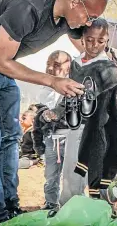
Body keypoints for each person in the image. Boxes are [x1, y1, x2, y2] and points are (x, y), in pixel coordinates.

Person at [0, 0, 107, 226]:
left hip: (1, 67)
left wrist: (108, 71)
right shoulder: (27, 7)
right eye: (90, 16)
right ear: (75, 2)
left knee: (11, 137)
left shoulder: (68, 18)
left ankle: (11, 205)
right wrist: (52, 81)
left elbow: (87, 52)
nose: (89, 23)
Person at [39, 18, 117, 206]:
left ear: (107, 40)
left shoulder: (109, 66)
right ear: (82, 38)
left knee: (98, 171)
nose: (94, 45)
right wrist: (57, 110)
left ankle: (104, 210)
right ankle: (70, 210)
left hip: (99, 127)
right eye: (89, 40)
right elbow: (69, 93)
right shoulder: (75, 64)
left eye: (100, 41)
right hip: (76, 124)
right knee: (72, 170)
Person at [33, 50, 71, 211]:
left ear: (68, 67)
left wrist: (57, 114)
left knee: (71, 176)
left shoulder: (74, 87)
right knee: (50, 175)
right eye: (47, 64)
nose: (49, 68)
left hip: (70, 139)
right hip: (50, 139)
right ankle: (50, 203)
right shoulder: (44, 89)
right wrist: (44, 115)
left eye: (55, 65)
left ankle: (70, 204)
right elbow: (38, 118)